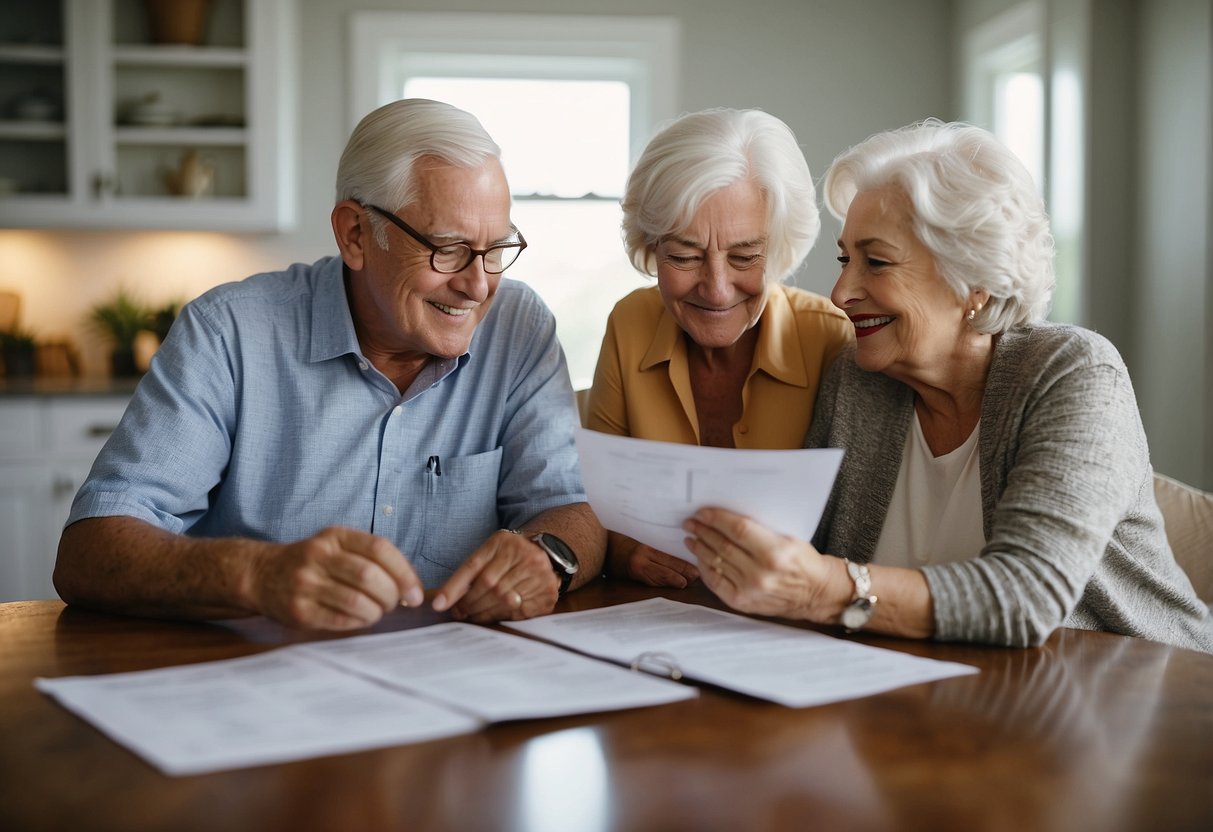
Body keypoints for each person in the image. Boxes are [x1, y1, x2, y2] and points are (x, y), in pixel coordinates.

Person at [54, 98, 605, 631]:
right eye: (448, 249)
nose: (478, 284)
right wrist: (257, 574)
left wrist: (548, 559)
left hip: (457, 677)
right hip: (254, 684)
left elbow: (568, 508)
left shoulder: (519, 327)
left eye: (495, 249)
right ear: (355, 234)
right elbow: (89, 551)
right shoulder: (229, 331)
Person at [684, 119, 1213, 652]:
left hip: (1144, 698)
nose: (841, 292)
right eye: (846, 259)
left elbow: (1026, 598)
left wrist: (827, 589)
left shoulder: (1074, 373)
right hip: (941, 701)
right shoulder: (856, 378)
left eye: (877, 262)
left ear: (975, 281)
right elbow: (795, 560)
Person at [584, 108, 852, 588]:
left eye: (745, 257)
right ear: (651, 246)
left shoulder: (831, 339)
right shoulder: (630, 324)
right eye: (684, 256)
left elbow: (855, 530)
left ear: (781, 247)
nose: (717, 290)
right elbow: (596, 504)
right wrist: (627, 553)